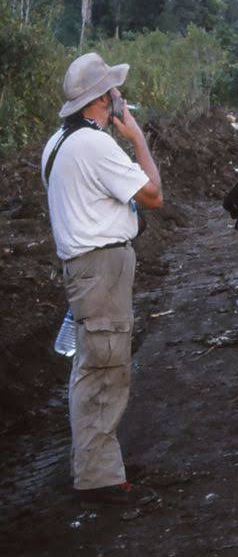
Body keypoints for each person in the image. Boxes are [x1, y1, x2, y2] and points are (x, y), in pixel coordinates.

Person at [41, 53, 163, 507]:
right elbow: (152, 194)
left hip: (86, 269)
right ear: (101, 101)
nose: (120, 99)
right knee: (105, 369)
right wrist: (138, 139)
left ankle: (99, 465)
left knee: (93, 365)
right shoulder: (94, 145)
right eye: (115, 93)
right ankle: (99, 480)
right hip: (100, 269)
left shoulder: (57, 142)